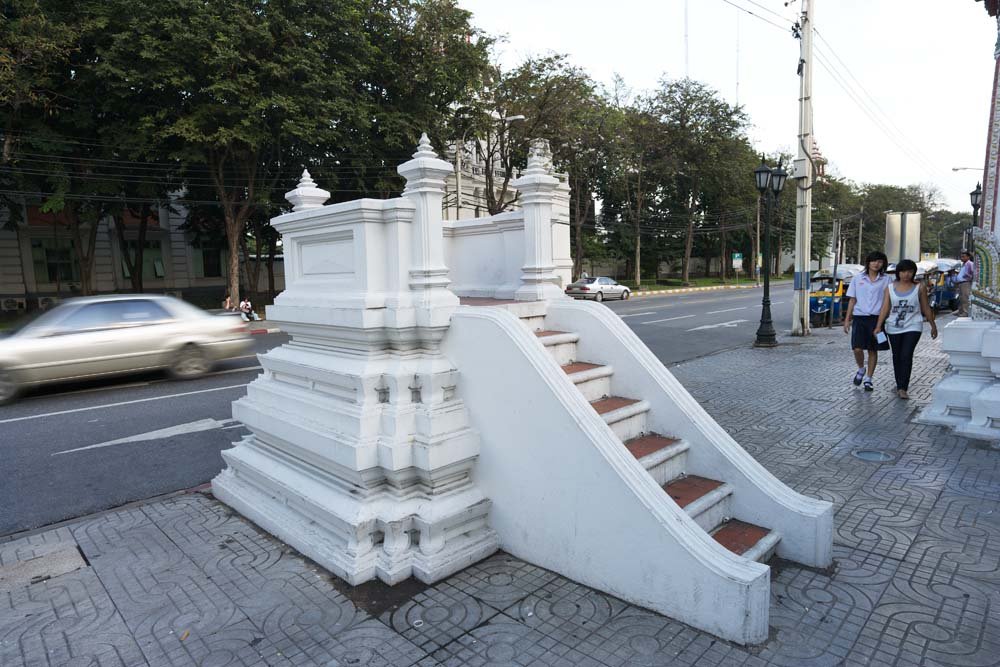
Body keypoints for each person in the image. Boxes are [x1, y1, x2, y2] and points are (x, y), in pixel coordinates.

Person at [875, 259, 938, 400]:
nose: (906, 274)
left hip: (913, 325)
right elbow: (885, 307)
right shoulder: (890, 287)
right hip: (893, 326)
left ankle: (903, 387)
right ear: (898, 272)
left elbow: (925, 307)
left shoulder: (919, 287)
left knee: (906, 355)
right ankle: (899, 385)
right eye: (903, 271)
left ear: (914, 273)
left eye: (910, 271)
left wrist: (933, 324)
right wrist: (879, 326)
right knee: (897, 356)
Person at [843, 251, 891, 392]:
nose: (876, 264)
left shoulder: (886, 280)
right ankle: (861, 368)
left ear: (883, 264)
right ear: (868, 262)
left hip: (877, 318)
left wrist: (881, 322)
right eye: (874, 261)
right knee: (857, 348)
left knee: (872, 349)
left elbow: (887, 302)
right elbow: (852, 299)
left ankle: (869, 379)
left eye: (880, 261)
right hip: (860, 317)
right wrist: (847, 320)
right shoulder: (858, 279)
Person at [953, 250, 975, 317]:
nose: (962, 258)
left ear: (968, 257)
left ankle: (965, 312)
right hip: (961, 283)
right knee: (961, 298)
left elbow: (973, 273)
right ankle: (961, 311)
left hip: (966, 283)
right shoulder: (964, 264)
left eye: (963, 257)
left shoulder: (970, 263)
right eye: (961, 257)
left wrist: (969, 278)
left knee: (965, 298)